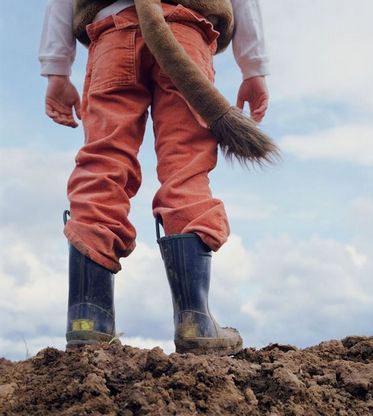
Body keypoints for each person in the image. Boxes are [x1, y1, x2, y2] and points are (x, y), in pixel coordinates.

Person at [39, 0, 270, 355]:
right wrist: (253, 68)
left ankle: (88, 318)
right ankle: (195, 320)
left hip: (113, 35)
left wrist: (57, 70)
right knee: (186, 167)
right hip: (185, 34)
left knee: (103, 164)